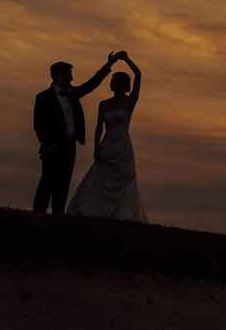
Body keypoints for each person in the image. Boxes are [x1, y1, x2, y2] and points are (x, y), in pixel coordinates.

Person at [32, 51, 123, 213]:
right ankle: (36, 216)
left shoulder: (72, 93)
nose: (72, 79)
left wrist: (109, 65)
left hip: (69, 146)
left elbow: (91, 84)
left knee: (63, 185)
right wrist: (49, 145)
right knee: (47, 183)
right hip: (52, 147)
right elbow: (38, 125)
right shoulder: (43, 97)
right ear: (60, 76)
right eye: (69, 76)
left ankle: (58, 217)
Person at [66, 53, 148, 222]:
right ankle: (99, 213)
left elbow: (138, 74)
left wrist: (125, 59)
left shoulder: (130, 101)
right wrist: (96, 146)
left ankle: (120, 215)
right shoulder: (104, 104)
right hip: (107, 145)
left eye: (115, 80)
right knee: (100, 178)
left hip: (123, 147)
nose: (111, 83)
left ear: (124, 84)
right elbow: (98, 128)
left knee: (122, 181)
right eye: (111, 80)